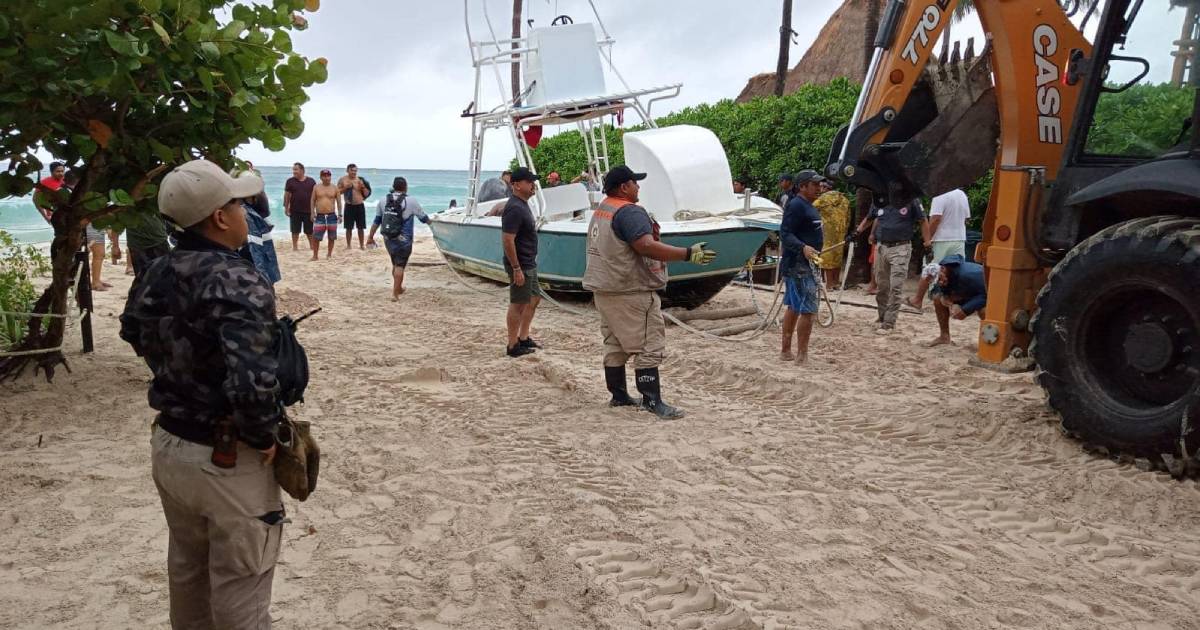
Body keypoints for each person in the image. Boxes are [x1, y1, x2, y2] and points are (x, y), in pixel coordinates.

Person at [119, 159, 287, 629]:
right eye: (237, 203)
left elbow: (132, 330)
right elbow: (251, 381)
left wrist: (179, 369)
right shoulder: (238, 278)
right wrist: (265, 435)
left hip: (171, 445)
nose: (243, 211)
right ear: (219, 216)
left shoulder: (155, 270)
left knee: (189, 574)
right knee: (242, 585)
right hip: (226, 454)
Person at [582, 165, 717, 419]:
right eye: (635, 182)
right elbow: (645, 245)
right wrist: (688, 254)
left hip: (604, 288)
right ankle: (652, 400)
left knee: (615, 342)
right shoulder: (629, 212)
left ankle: (619, 395)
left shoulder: (603, 209)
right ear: (624, 187)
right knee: (649, 343)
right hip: (629, 289)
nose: (639, 187)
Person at [779, 170, 825, 363]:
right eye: (815, 185)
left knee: (794, 307)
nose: (819, 188)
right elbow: (785, 233)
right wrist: (803, 247)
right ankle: (802, 355)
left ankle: (786, 351)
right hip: (799, 265)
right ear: (803, 186)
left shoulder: (807, 205)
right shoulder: (797, 205)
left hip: (803, 263)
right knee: (807, 309)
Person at [871, 198, 931, 334]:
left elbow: (923, 220)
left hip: (901, 247)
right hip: (882, 246)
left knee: (895, 286)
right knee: (882, 286)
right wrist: (867, 232)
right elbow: (874, 217)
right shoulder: (880, 198)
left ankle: (889, 323)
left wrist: (927, 243)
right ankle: (882, 317)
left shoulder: (912, 199)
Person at [500, 167, 542, 357]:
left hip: (528, 262)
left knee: (534, 298)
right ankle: (512, 344)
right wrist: (516, 268)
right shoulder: (514, 208)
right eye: (529, 181)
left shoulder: (522, 204)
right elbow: (508, 240)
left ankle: (523, 337)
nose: (533, 185)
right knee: (518, 303)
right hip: (521, 264)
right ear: (516, 185)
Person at [907, 188, 970, 310]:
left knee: (930, 268)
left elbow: (936, 219)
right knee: (956, 270)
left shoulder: (940, 195)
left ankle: (917, 300)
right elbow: (966, 218)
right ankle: (953, 300)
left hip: (942, 238)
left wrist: (927, 238)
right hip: (959, 237)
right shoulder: (962, 194)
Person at [373, 177, 430, 300]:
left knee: (395, 262)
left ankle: (398, 288)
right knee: (400, 265)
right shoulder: (411, 201)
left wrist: (370, 237)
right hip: (404, 239)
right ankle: (395, 293)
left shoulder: (383, 200)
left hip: (388, 237)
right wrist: (434, 225)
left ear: (393, 187)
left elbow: (377, 220)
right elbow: (423, 218)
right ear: (405, 187)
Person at [926, 254, 986, 347]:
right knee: (937, 298)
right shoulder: (945, 272)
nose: (940, 282)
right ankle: (944, 336)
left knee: (984, 312)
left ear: (943, 269)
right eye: (937, 282)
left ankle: (990, 342)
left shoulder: (968, 274)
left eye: (940, 279)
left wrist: (965, 310)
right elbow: (941, 287)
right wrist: (946, 298)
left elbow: (987, 294)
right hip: (972, 294)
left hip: (988, 295)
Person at [813, 179, 850, 287]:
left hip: (826, 232)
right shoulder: (845, 200)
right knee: (838, 256)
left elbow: (810, 210)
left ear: (825, 188)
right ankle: (835, 282)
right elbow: (848, 219)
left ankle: (828, 284)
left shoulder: (822, 199)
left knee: (826, 255)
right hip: (841, 232)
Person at [125, 212, 171, 278]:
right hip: (136, 243)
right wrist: (115, 245)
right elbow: (117, 217)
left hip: (159, 240)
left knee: (164, 275)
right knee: (141, 277)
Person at [283, 162, 316, 251]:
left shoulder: (311, 181)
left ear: (302, 170)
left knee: (309, 231)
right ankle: (295, 247)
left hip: (308, 211)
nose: (294, 171)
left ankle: (312, 247)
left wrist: (314, 210)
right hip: (294, 210)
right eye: (293, 170)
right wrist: (286, 208)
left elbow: (315, 196)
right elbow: (287, 195)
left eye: (296, 169)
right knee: (295, 231)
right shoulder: (290, 181)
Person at [310, 169, 341, 260]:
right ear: (321, 177)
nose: (326, 177)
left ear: (330, 176)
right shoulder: (316, 187)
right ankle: (315, 256)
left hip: (332, 215)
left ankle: (329, 255)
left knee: (332, 237)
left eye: (328, 175)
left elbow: (339, 202)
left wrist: (340, 215)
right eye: (324, 176)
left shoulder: (335, 188)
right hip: (320, 216)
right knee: (316, 237)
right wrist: (312, 213)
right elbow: (312, 200)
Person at [337, 164, 369, 250]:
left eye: (355, 171)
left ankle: (362, 245)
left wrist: (362, 187)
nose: (354, 172)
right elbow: (337, 192)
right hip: (349, 206)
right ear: (347, 171)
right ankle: (348, 245)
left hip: (360, 205)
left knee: (361, 227)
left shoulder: (360, 180)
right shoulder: (343, 179)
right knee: (348, 227)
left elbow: (366, 194)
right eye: (352, 170)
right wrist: (345, 188)